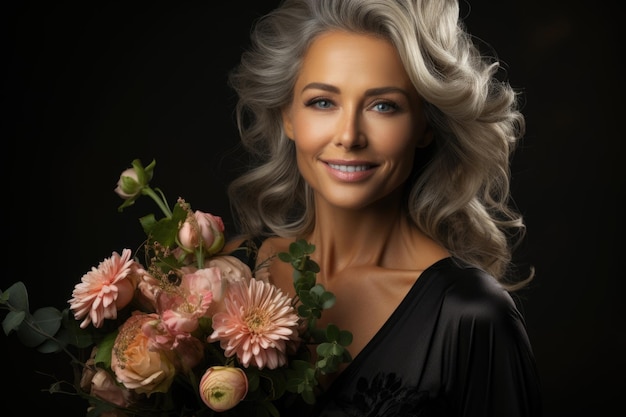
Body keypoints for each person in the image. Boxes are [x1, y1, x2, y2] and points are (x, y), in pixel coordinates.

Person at [222, 0, 543, 415]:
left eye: (383, 106)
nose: (350, 136)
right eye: (323, 102)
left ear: (424, 124)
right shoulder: (235, 270)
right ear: (288, 116)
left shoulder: (472, 315)